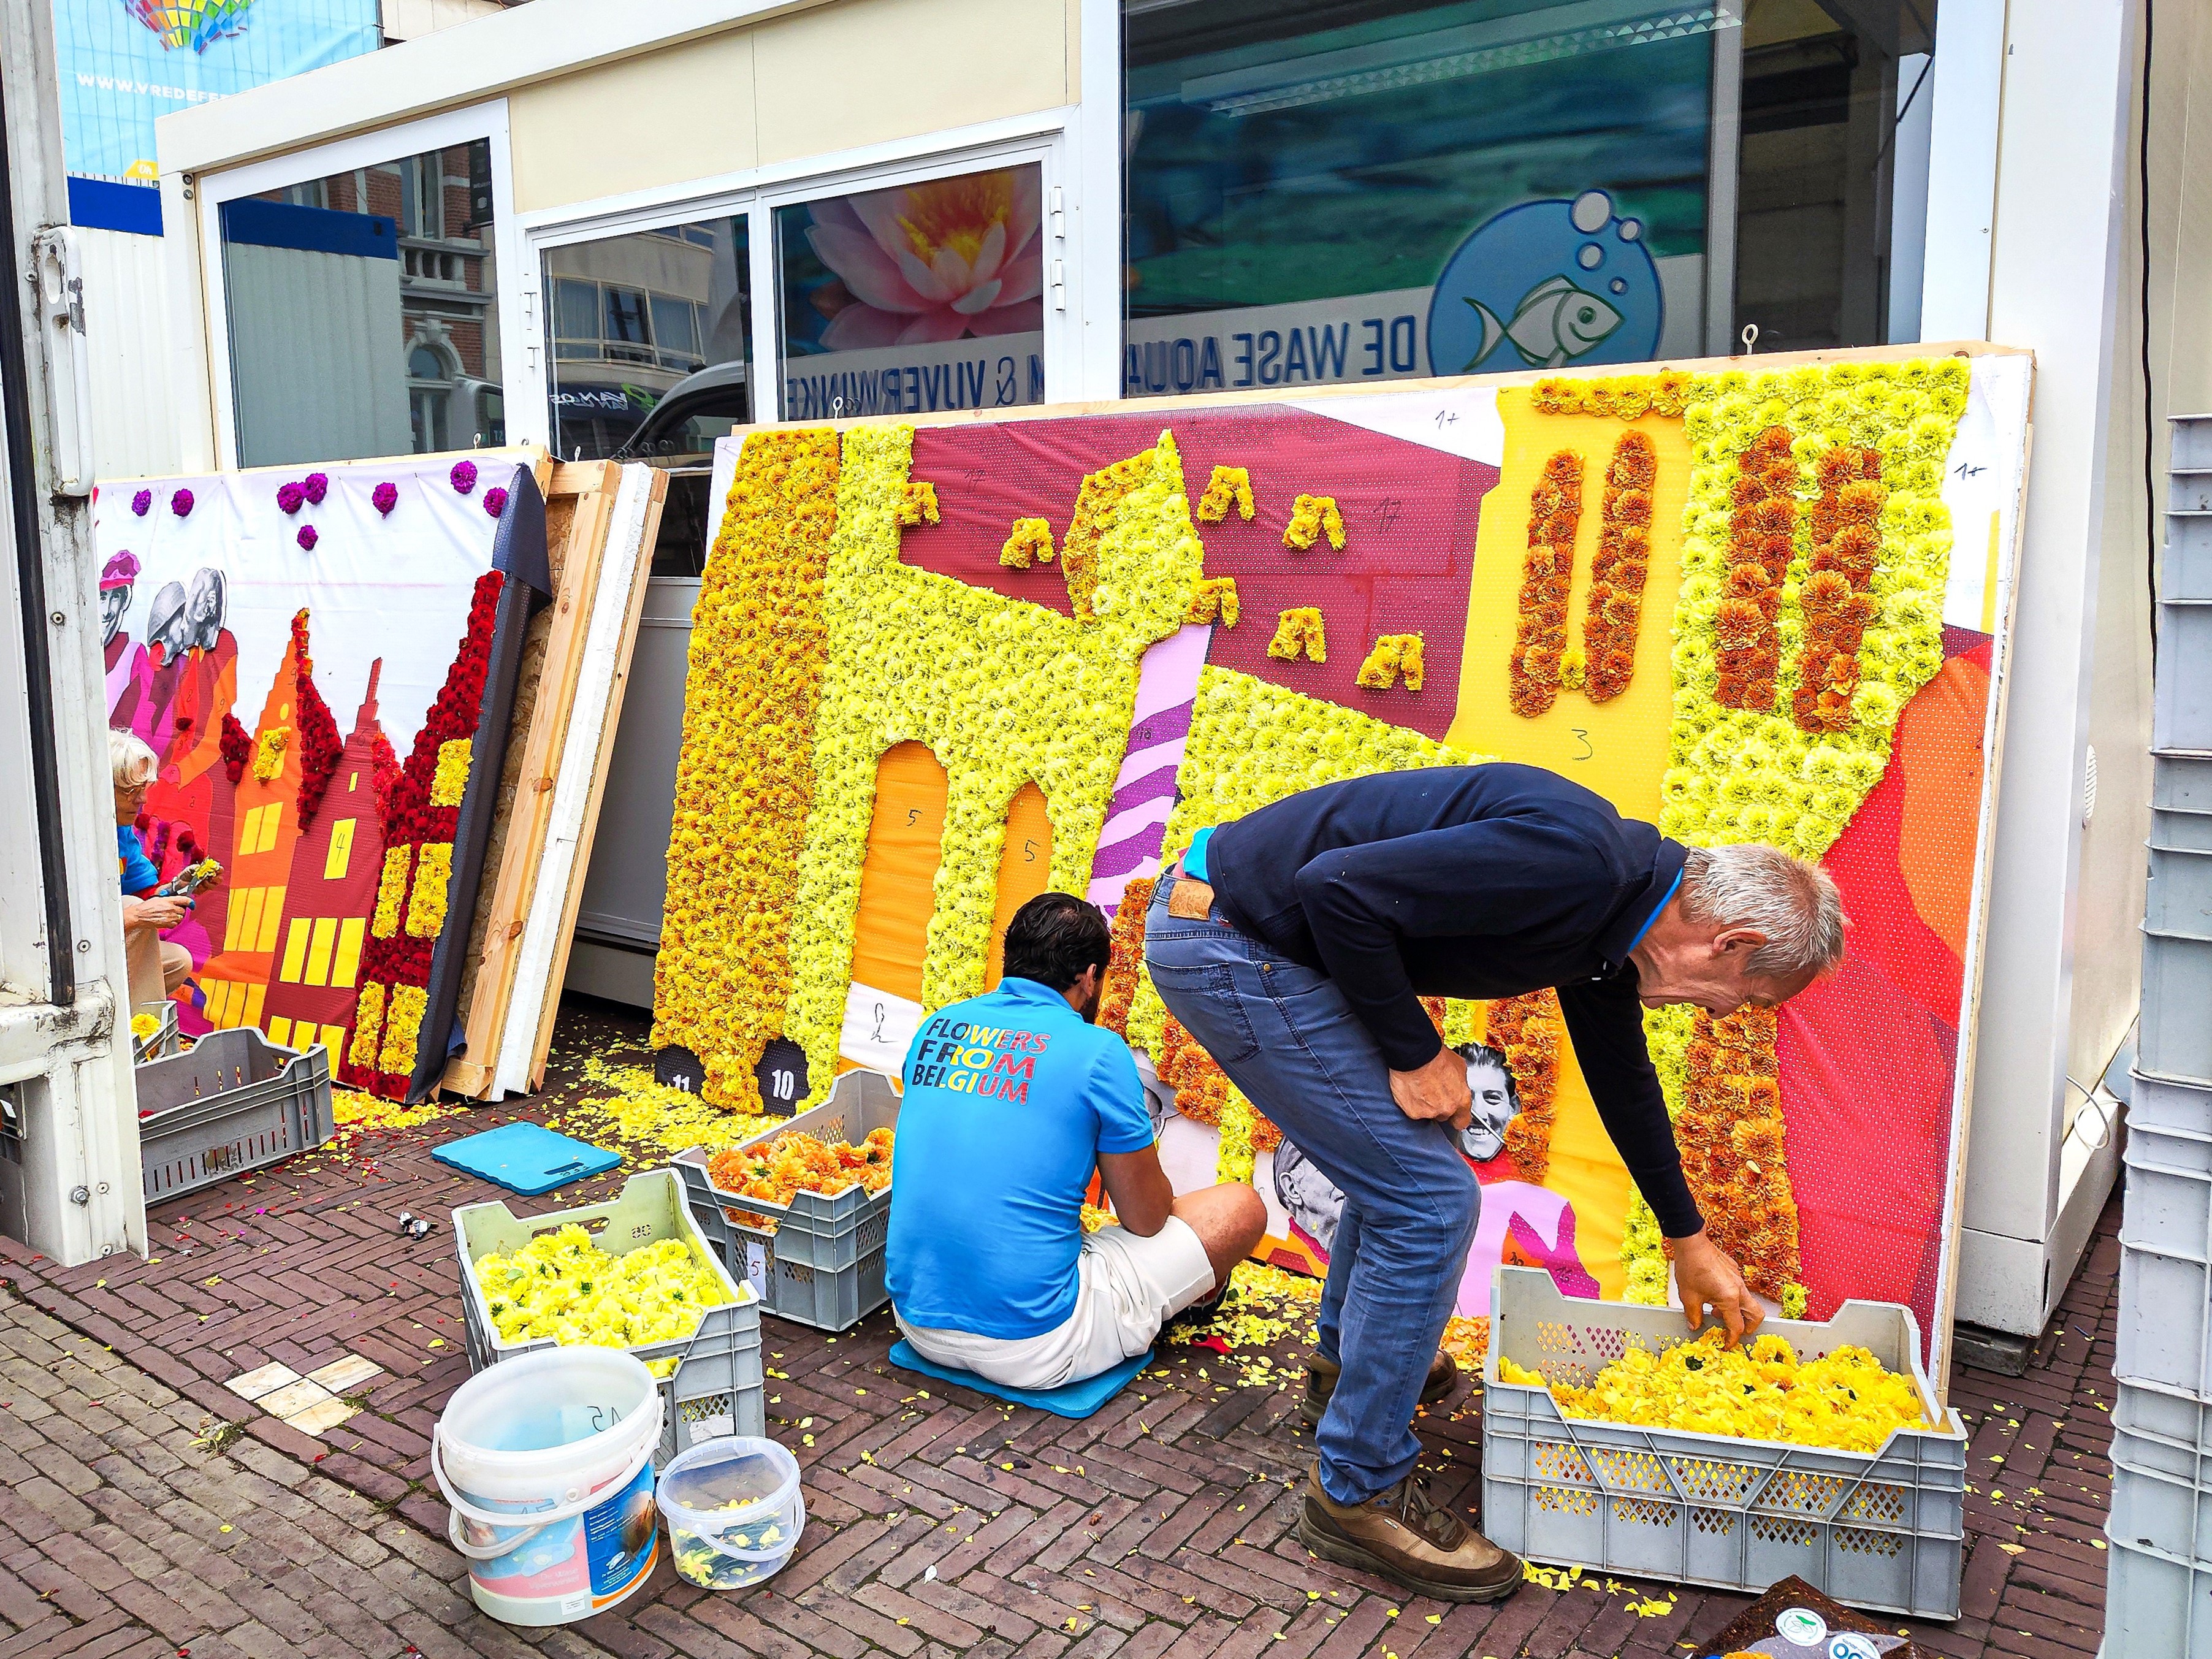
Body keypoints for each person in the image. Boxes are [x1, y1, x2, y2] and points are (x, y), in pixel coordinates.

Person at [1143, 761, 1844, 1603]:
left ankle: (1344, 1377)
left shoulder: (1614, 922)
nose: (1723, 1013)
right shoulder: (1580, 863)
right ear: (1731, 943)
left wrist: (1685, 1231)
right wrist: (1416, 1052)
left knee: (1406, 1179)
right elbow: (1335, 890)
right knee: (1434, 1200)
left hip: (1268, 943)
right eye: (1744, 996)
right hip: (1227, 936)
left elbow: (1623, 1077)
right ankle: (1355, 1490)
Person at [888, 891, 1267, 1389]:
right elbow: (1147, 1220)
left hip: (918, 1321)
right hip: (1036, 1344)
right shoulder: (1099, 1051)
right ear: (1090, 977)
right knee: (1240, 1208)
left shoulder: (936, 1027)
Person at [112, 729, 191, 1008]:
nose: (142, 799)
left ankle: (121, 1020)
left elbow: (145, 894)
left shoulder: (121, 831)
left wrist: (179, 888)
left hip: (104, 943)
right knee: (131, 906)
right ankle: (147, 1036)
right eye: (130, 790)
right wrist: (134, 916)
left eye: (144, 788)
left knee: (178, 960)